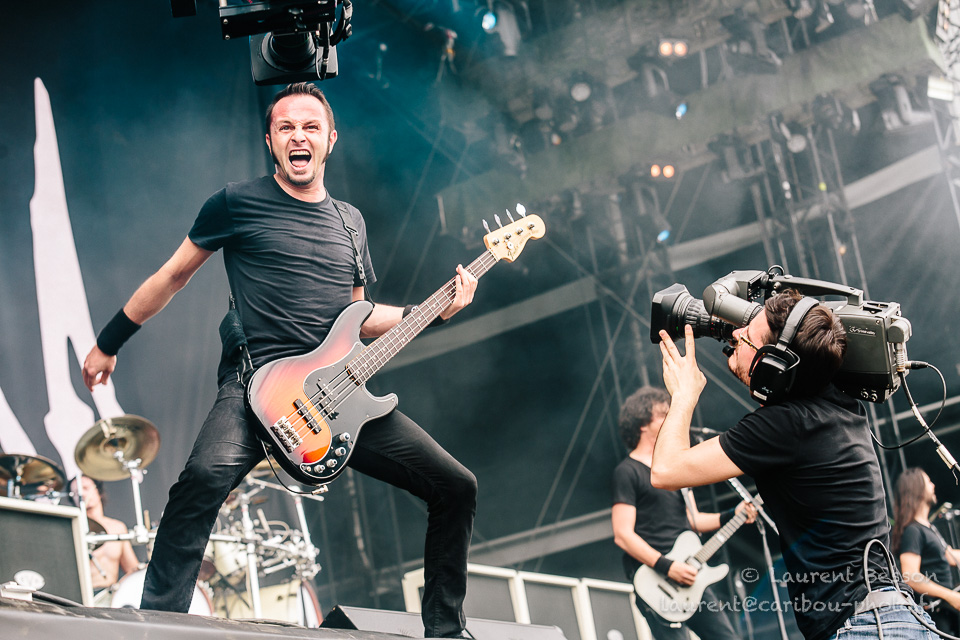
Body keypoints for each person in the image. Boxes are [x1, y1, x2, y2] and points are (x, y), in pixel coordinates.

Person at [81, 82, 479, 638]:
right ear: (270, 140)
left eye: (311, 127)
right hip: (257, 386)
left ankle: (446, 632)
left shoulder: (350, 222)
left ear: (330, 140)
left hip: (335, 398)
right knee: (202, 480)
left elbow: (357, 317)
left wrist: (432, 310)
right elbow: (172, 276)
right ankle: (158, 625)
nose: (299, 136)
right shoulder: (235, 202)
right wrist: (109, 341)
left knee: (456, 486)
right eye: (286, 127)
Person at [650, 289, 938, 640]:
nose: (735, 334)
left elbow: (665, 470)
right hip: (896, 619)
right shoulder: (839, 406)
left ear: (774, 365)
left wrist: (683, 395)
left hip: (866, 627)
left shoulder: (785, 425)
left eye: (747, 335)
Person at [612, 386, 754, 640]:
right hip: (657, 580)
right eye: (663, 414)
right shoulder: (627, 471)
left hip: (691, 576)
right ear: (642, 424)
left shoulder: (673, 471)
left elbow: (692, 520)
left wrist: (734, 514)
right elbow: (623, 535)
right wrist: (667, 567)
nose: (671, 419)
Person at [893, 468, 960, 635]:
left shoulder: (929, 528)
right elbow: (910, 576)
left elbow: (950, 556)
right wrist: (950, 596)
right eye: (928, 482)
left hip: (948, 613)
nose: (933, 485)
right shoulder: (913, 531)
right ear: (917, 488)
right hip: (936, 616)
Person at [72, 475, 141, 591]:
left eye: (85, 488)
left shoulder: (118, 527)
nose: (81, 494)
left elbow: (131, 569)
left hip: (111, 595)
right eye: (75, 492)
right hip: (84, 595)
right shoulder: (74, 529)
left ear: (98, 491)